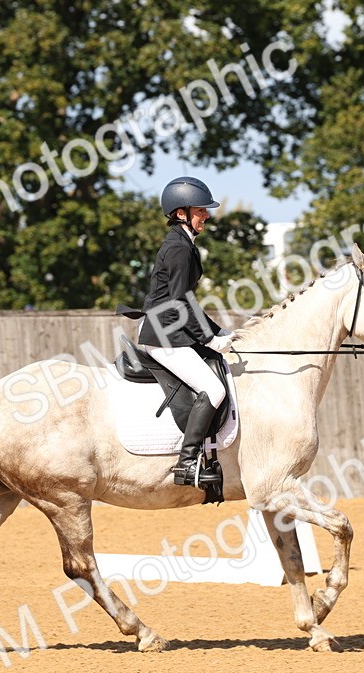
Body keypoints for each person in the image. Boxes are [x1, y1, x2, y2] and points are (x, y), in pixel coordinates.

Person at [137, 176, 233, 487]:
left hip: (173, 331)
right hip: (165, 335)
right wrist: (209, 338)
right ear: (182, 213)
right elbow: (179, 301)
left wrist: (220, 331)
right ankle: (187, 462)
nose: (206, 215)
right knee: (215, 390)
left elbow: (186, 301)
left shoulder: (183, 244)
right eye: (201, 210)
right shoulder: (178, 248)